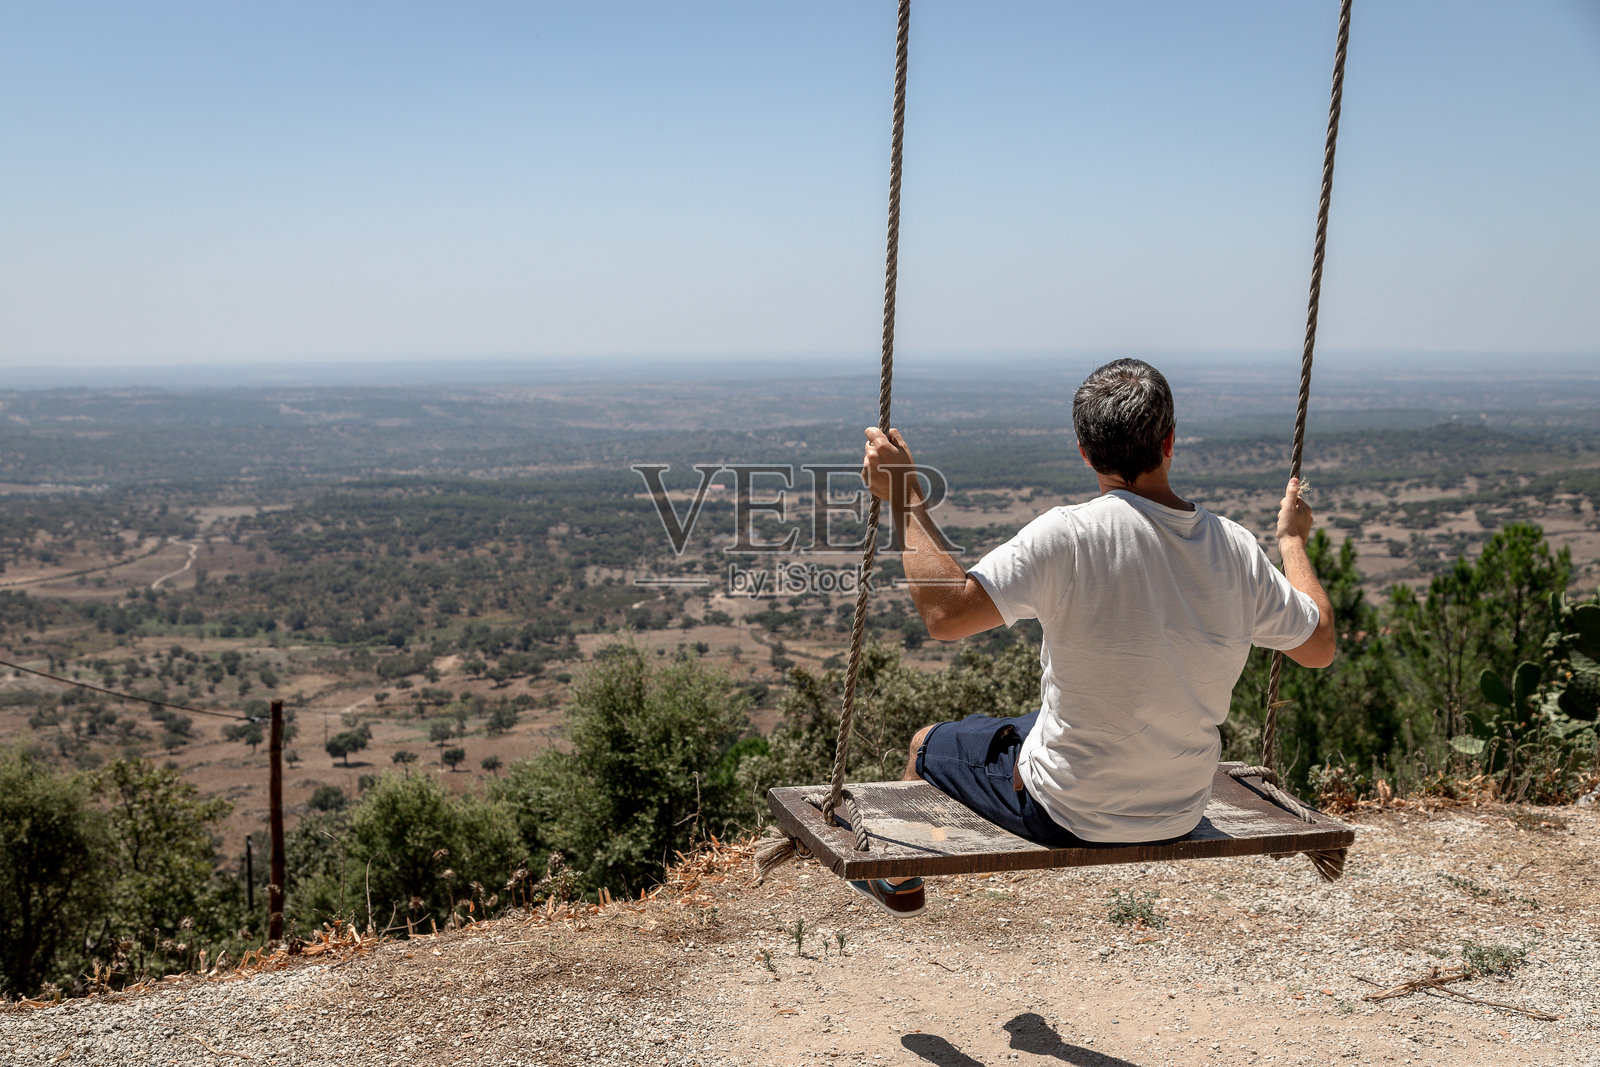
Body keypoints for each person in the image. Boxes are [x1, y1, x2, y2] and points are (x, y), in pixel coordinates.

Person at [852, 359, 1335, 918]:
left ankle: (899, 880)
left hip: (1066, 812)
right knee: (1034, 722)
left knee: (927, 744)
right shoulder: (1236, 547)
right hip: (1179, 810)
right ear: (1169, 441)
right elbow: (1319, 646)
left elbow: (946, 614)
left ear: (1085, 452)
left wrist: (904, 495)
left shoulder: (1069, 534)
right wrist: (1292, 542)